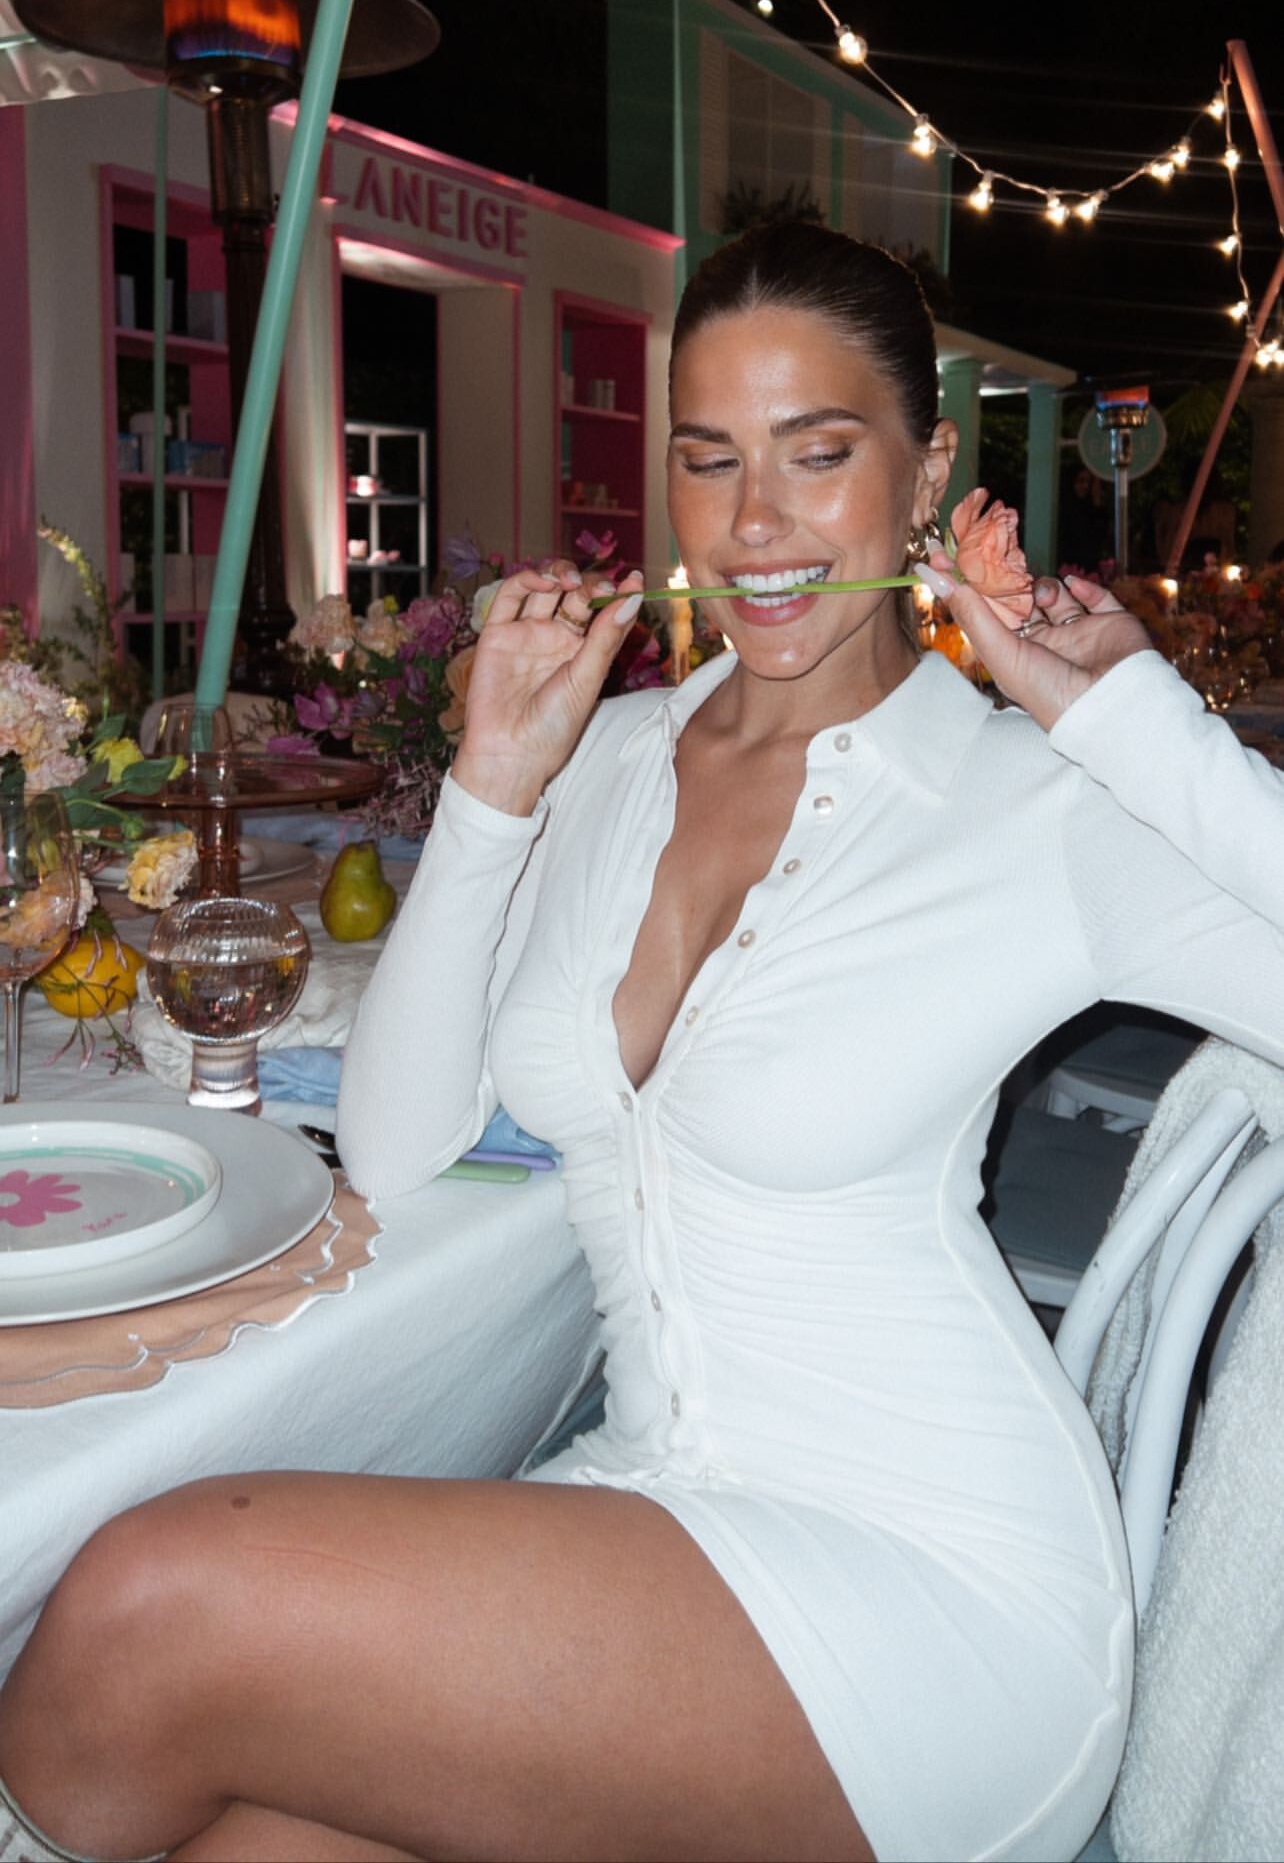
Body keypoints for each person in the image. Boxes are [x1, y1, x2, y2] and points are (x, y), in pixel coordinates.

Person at [3, 222, 1283, 1863]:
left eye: (818, 453)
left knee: (144, 1609)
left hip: (936, 1593)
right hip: (648, 1498)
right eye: (709, 457)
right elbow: (395, 1143)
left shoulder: (1034, 801)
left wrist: (1129, 717)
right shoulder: (607, 753)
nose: (755, 524)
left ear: (925, 474)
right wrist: (490, 785)